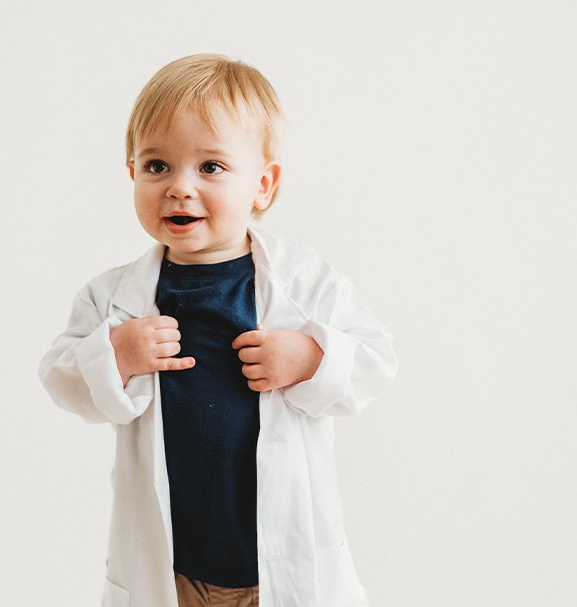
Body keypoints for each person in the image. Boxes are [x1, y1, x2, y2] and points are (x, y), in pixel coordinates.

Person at [39, 53, 397, 607]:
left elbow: (374, 359)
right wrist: (114, 353)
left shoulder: (302, 280)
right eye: (158, 165)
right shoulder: (114, 297)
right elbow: (61, 377)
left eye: (210, 167)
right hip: (174, 571)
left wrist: (310, 358)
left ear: (263, 184)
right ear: (132, 172)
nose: (180, 187)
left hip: (280, 566)